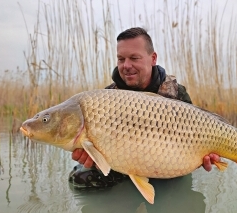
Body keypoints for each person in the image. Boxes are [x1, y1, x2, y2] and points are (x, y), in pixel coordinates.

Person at [69, 27, 221, 189]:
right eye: (121, 59)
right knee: (80, 178)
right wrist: (93, 160)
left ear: (153, 58)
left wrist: (204, 157)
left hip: (166, 165)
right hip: (122, 165)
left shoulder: (176, 94)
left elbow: (195, 143)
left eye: (134, 58)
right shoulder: (107, 98)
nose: (126, 65)